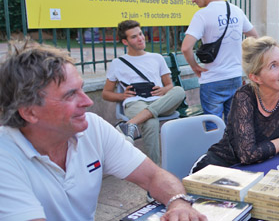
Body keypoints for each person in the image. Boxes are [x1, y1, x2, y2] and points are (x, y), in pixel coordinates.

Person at [0, 41, 206, 221]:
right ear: (30, 112)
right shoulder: (5, 156)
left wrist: (178, 202)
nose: (87, 101)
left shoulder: (92, 127)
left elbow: (153, 176)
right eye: (71, 95)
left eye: (82, 88)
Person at [190, 37, 279, 173]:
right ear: (256, 78)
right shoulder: (244, 97)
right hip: (221, 168)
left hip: (259, 169)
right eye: (273, 65)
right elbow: (248, 155)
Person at [181, 0, 259, 128]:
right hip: (235, 77)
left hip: (212, 80)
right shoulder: (236, 10)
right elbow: (255, 37)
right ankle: (234, 152)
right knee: (234, 125)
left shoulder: (202, 15)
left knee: (214, 128)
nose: (192, 0)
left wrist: (195, 67)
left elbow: (185, 47)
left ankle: (218, 152)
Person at [103, 20, 185, 165]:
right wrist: (122, 96)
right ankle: (155, 169)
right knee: (150, 120)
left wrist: (163, 90)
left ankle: (130, 123)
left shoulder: (157, 58)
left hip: (160, 102)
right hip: (135, 102)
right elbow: (106, 93)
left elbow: (169, 85)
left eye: (140, 34)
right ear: (125, 41)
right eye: (134, 37)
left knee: (179, 91)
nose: (140, 38)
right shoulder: (118, 63)